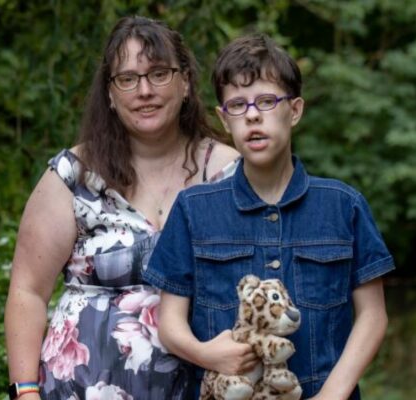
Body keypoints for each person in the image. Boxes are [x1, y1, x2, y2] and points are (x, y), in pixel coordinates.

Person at [144, 34, 393, 399]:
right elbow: (170, 322)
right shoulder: (193, 209)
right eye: (238, 106)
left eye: (266, 101)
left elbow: (373, 317)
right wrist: (205, 353)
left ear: (294, 110)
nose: (253, 115)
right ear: (224, 120)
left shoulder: (344, 205)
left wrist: (333, 394)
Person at [3, 16, 241, 400]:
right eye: (127, 79)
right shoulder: (73, 175)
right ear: (110, 95)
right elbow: (27, 291)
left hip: (204, 389)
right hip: (77, 390)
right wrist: (25, 392)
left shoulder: (229, 174)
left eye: (159, 74)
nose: (144, 90)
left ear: (185, 84)